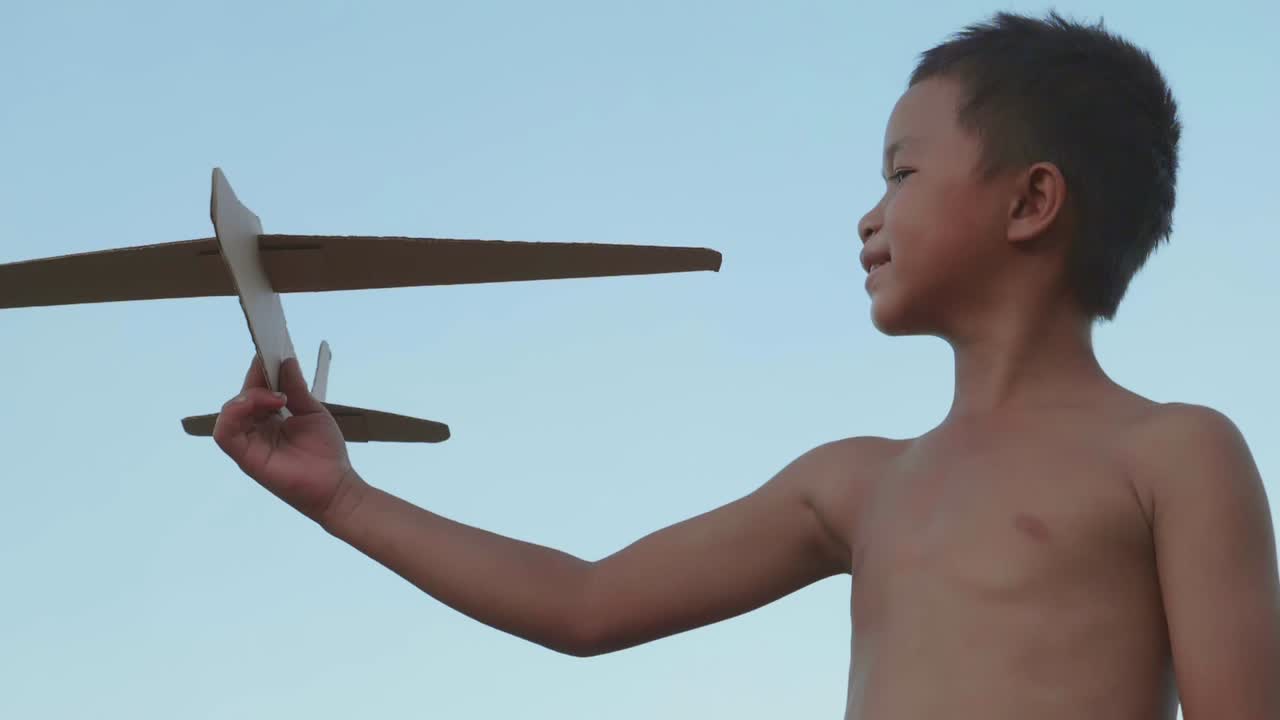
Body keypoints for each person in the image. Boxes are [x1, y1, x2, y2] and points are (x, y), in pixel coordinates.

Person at [211, 11, 1280, 719]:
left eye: (900, 172)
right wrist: (344, 499)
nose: (868, 215)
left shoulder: (1173, 454)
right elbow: (584, 604)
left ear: (1029, 201)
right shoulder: (855, 483)